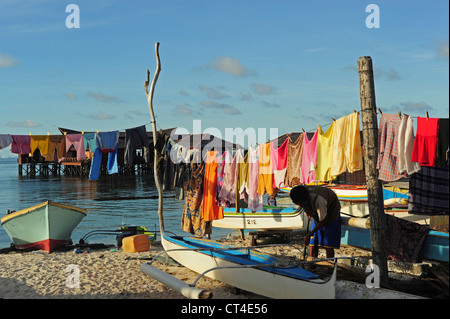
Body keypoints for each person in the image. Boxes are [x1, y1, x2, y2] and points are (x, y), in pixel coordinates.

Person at [290, 185, 341, 258]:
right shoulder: (302, 195)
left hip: (331, 214)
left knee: (328, 244)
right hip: (318, 215)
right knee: (313, 242)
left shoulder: (319, 200)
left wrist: (310, 234)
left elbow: (324, 220)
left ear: (306, 200)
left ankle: (330, 265)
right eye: (298, 204)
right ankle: (312, 264)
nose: (300, 206)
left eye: (301, 204)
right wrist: (308, 211)